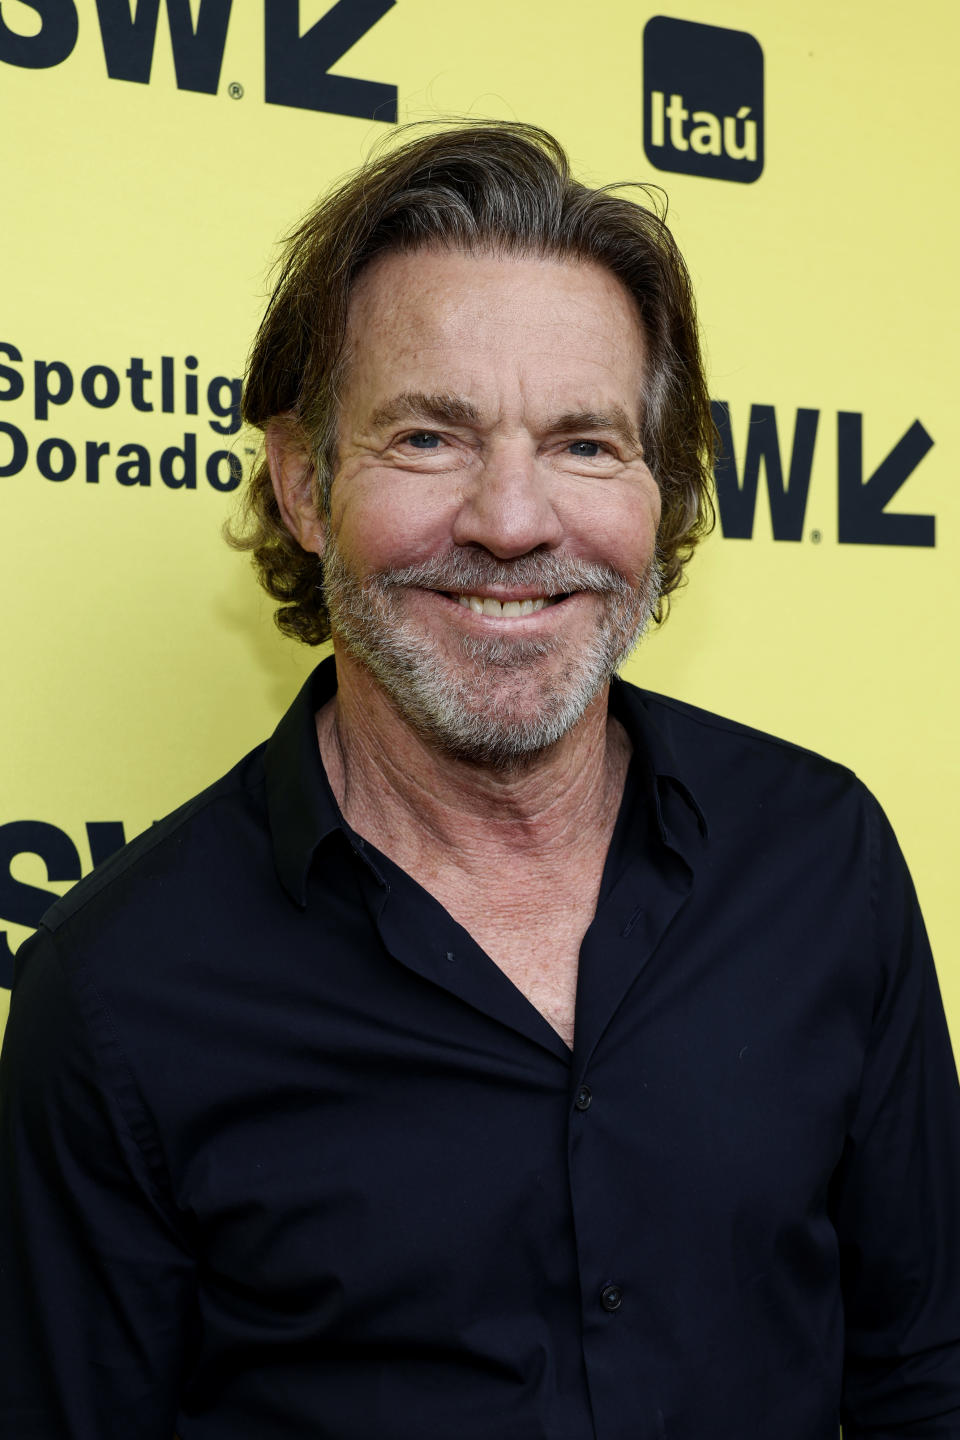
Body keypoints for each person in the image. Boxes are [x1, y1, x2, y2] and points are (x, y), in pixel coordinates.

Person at [1, 122, 958, 1440]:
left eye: (584, 444)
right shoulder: (117, 994)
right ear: (302, 484)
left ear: (658, 491)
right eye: (430, 437)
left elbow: (927, 1370)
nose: (512, 523)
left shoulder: (822, 857)